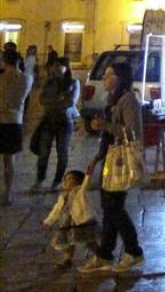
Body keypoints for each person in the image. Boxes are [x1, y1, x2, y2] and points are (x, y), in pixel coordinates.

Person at [80, 62, 144, 273]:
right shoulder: (112, 99)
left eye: (109, 75)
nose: (104, 79)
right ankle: (105, 254)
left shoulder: (128, 100)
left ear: (119, 78)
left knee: (114, 208)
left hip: (120, 161)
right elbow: (108, 137)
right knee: (109, 208)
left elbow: (131, 131)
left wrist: (105, 125)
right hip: (109, 157)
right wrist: (97, 158)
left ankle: (133, 251)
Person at [33, 58, 80, 190]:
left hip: (64, 122)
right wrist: (58, 99)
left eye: (59, 66)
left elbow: (70, 102)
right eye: (54, 66)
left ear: (66, 68)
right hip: (48, 120)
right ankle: (40, 179)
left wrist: (51, 101)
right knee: (43, 152)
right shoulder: (49, 82)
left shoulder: (73, 82)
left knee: (62, 152)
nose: (56, 69)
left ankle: (57, 180)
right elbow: (41, 99)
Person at [43, 169, 98, 268]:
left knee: (89, 241)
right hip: (67, 223)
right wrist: (48, 221)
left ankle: (100, 255)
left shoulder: (80, 192)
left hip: (82, 222)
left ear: (78, 181)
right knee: (68, 242)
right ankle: (67, 259)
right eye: (66, 179)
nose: (67, 181)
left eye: (70, 179)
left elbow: (86, 184)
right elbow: (56, 210)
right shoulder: (62, 196)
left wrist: (88, 175)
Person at [1, 48, 35, 205]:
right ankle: (8, 192)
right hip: (15, 120)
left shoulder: (1, 78)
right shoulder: (27, 79)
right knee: (9, 159)